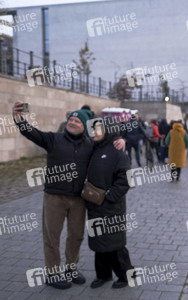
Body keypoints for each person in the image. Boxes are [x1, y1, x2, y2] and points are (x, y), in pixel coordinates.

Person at [12, 102, 125, 289]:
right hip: (54, 197)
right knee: (52, 237)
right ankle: (52, 273)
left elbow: (107, 140)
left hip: (79, 199)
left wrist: (121, 140)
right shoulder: (52, 139)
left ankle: (71, 268)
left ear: (84, 125)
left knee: (76, 236)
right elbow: (29, 131)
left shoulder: (91, 144)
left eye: (77, 120)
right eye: (71, 119)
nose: (73, 122)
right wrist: (18, 118)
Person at [86, 117, 134, 289]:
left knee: (115, 244)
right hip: (94, 204)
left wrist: (110, 196)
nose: (94, 132)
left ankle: (126, 275)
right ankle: (103, 275)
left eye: (98, 129)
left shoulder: (117, 150)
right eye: (94, 129)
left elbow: (125, 178)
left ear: (108, 130)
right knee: (99, 242)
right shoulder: (94, 147)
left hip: (111, 206)